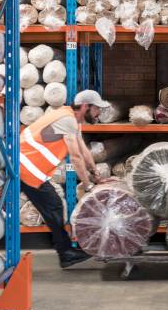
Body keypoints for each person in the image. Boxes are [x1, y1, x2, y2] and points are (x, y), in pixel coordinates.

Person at [19, 89, 110, 268]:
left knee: (53, 206)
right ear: (85, 106)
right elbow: (75, 157)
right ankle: (65, 252)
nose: (99, 113)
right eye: (97, 109)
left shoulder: (73, 120)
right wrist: (87, 185)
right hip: (26, 167)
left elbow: (83, 149)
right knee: (53, 205)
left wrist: (95, 174)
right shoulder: (67, 120)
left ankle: (65, 251)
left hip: (31, 168)